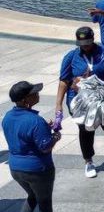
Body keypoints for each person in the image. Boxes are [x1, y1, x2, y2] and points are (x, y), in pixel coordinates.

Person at [56, 27, 104, 178]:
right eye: (81, 43)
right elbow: (63, 81)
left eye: (87, 43)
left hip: (103, 98)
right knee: (86, 131)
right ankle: (88, 161)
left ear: (93, 39)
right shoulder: (71, 57)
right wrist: (59, 104)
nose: (85, 46)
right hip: (82, 102)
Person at [3, 81, 60, 212]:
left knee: (33, 196)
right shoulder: (35, 120)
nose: (37, 94)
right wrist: (56, 137)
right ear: (25, 100)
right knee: (45, 203)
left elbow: (21, 133)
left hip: (16, 169)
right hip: (37, 170)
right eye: (33, 93)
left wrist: (45, 128)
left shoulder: (7, 117)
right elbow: (45, 147)